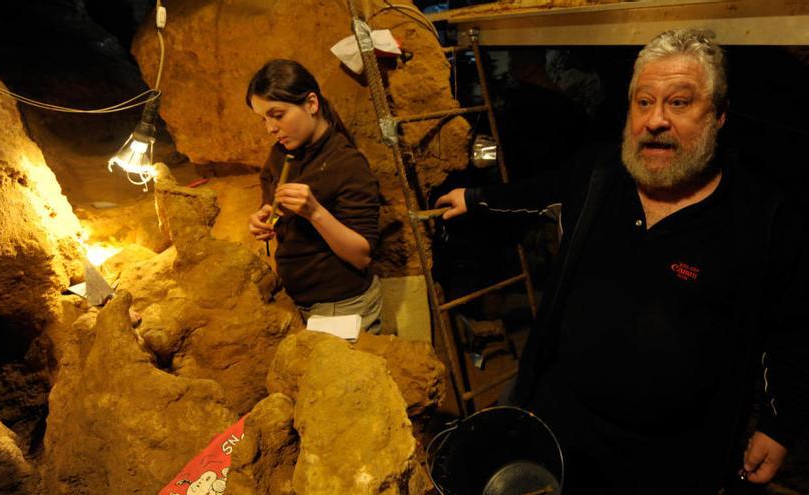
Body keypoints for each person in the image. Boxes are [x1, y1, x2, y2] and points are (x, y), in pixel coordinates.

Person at [435, 29, 809, 493]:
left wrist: (778, 425)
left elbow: (791, 329)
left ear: (718, 116)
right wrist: (474, 198)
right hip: (563, 430)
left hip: (675, 459)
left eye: (679, 103)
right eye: (644, 102)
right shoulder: (597, 174)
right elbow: (536, 193)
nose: (655, 120)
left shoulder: (761, 217)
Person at [246, 59, 382, 333]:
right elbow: (271, 203)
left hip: (341, 303)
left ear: (311, 104)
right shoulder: (281, 154)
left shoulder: (348, 164)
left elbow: (361, 256)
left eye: (278, 115)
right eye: (263, 118)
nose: (270, 128)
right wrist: (264, 218)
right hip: (296, 297)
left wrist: (315, 212)